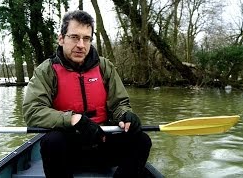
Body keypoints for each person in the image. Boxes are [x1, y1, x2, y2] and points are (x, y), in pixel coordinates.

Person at [22, 10, 152, 178]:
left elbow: (119, 104)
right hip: (68, 152)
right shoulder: (46, 71)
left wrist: (126, 115)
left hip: (103, 144)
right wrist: (74, 119)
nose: (81, 45)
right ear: (61, 39)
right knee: (51, 141)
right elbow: (33, 111)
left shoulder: (105, 67)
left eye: (86, 38)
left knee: (141, 140)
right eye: (74, 37)